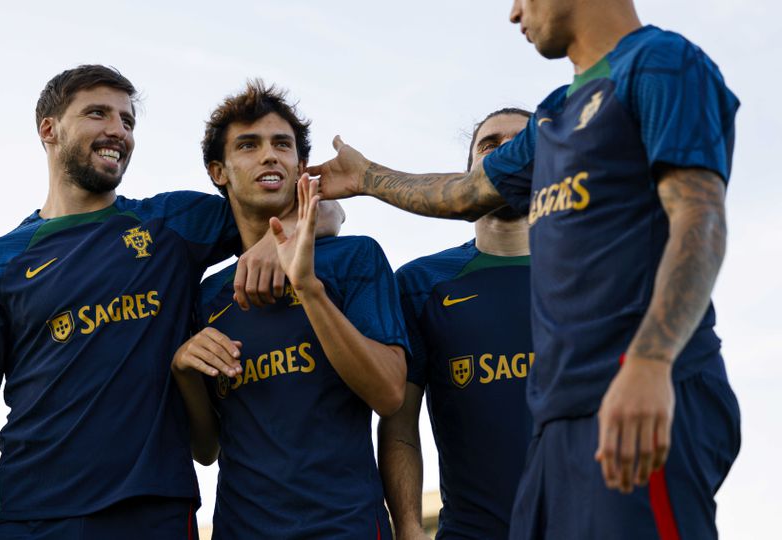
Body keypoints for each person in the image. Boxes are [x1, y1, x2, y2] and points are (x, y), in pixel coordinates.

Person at [309, 1, 741, 537]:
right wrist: (367, 175)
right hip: (560, 425)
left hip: (638, 388)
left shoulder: (659, 63)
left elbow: (700, 221)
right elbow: (465, 191)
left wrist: (651, 363)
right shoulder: (555, 115)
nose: (515, 13)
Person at [0, 65, 340, 540]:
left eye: (127, 121)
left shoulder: (170, 224)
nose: (117, 131)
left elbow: (323, 204)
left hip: (151, 509)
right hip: (27, 513)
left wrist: (276, 240)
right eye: (97, 114)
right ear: (49, 129)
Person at [170, 80, 408, 539]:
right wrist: (183, 369)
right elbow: (207, 448)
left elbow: (389, 393)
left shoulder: (355, 258)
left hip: (347, 526)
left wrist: (308, 289)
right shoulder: (207, 294)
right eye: (248, 145)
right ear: (218, 171)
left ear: (302, 165)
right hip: (242, 528)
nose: (269, 155)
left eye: (282, 144)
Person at [378, 108, 533, 540]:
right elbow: (399, 425)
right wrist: (408, 527)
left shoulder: (596, 276)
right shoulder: (420, 284)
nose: (504, 153)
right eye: (489, 144)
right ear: (466, 177)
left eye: (522, 142)